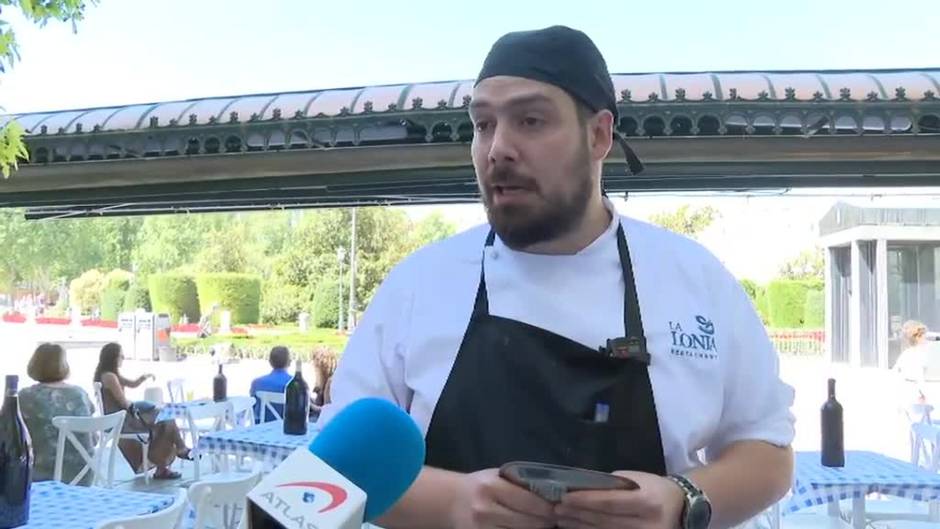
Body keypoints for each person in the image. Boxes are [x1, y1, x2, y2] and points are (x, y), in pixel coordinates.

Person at [317, 25, 796, 529]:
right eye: (482, 125)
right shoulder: (420, 285)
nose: (498, 148)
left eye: (530, 120)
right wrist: (451, 503)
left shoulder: (694, 280)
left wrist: (682, 500)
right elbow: (335, 469)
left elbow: (768, 454)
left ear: (599, 135)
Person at [94, 342, 192, 480]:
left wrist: (143, 377)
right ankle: (174, 454)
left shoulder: (111, 374)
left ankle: (165, 463)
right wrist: (142, 406)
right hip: (119, 419)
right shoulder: (109, 377)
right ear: (113, 357)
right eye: (120, 355)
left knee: (164, 419)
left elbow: (132, 384)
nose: (123, 357)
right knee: (165, 418)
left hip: (121, 416)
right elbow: (123, 402)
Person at [19, 343, 96, 485]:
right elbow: (93, 438)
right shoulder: (79, 394)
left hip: (43, 474)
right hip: (83, 473)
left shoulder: (26, 396)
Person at [249, 345, 292, 423]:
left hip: (261, 427)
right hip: (287, 427)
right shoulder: (294, 384)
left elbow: (252, 407)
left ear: (270, 362)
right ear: (289, 362)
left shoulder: (256, 383)